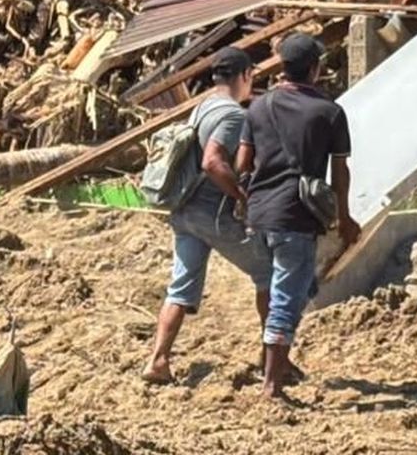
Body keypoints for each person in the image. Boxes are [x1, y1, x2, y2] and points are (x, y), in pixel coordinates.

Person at [142, 47, 281, 385]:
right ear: (245, 75)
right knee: (268, 273)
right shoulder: (234, 115)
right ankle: (269, 357)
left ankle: (158, 360)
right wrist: (242, 196)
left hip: (184, 210)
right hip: (211, 213)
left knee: (180, 288)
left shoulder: (203, 106)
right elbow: (212, 161)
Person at [237, 32, 356, 399]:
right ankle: (272, 385)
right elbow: (340, 172)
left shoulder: (257, 107)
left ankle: (278, 365)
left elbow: (242, 162)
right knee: (288, 298)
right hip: (296, 216)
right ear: (315, 69)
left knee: (293, 289)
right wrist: (344, 216)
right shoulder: (329, 112)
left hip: (258, 216)